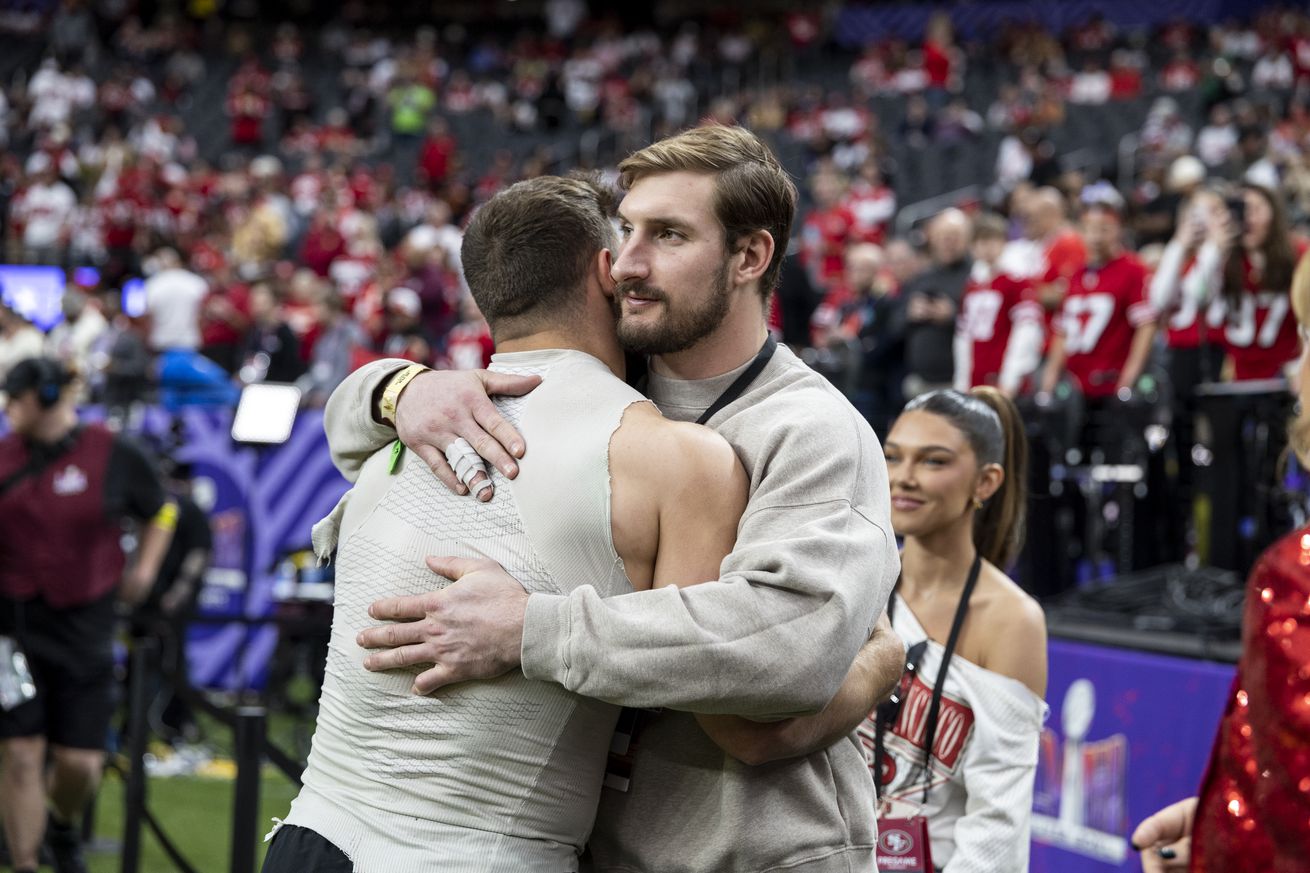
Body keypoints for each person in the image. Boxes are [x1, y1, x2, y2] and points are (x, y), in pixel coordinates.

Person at [326, 124, 903, 872]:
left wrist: (533, 630)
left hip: (757, 856)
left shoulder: (814, 429)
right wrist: (397, 388)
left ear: (750, 257)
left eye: (667, 235)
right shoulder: (612, 390)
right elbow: (347, 431)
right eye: (626, 230)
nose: (627, 263)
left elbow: (782, 646)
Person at [263, 175, 751, 871]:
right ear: (606, 270)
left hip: (309, 835)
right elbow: (714, 698)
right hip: (480, 854)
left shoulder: (398, 432)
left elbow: (348, 414)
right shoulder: (677, 458)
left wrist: (395, 385)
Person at [1130, 251, 1310, 871]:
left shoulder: (1296, 576)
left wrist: (1224, 843)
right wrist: (1218, 815)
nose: (1294, 373)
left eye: (1307, 340)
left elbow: (1285, 833)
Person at [0, 357, 175, 873]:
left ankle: (59, 823)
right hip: (10, 627)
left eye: (15, 397)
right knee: (22, 752)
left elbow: (161, 508)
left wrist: (143, 570)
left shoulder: (113, 453)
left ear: (48, 395)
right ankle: (27, 861)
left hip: (85, 624)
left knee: (80, 762)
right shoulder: (4, 455)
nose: (8, 409)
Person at [861, 387, 1047, 872]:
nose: (903, 477)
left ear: (985, 482)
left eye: (933, 462)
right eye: (893, 456)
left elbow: (998, 821)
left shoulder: (1012, 619)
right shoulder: (861, 582)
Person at [1039, 200, 1157, 441]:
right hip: (1074, 388)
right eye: (1089, 228)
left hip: (1110, 383)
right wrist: (1049, 379)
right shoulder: (1075, 275)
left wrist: (1128, 378)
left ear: (1118, 230)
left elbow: (1145, 326)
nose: (1096, 236)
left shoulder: (1132, 270)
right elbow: (1063, 331)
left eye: (1104, 228)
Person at [953, 213, 1044, 396]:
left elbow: (1027, 329)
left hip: (1003, 377)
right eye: (981, 241)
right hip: (976, 376)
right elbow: (963, 337)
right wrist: (962, 381)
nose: (987, 247)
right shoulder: (972, 286)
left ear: (1004, 243)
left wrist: (1011, 376)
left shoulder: (1016, 282)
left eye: (993, 240)